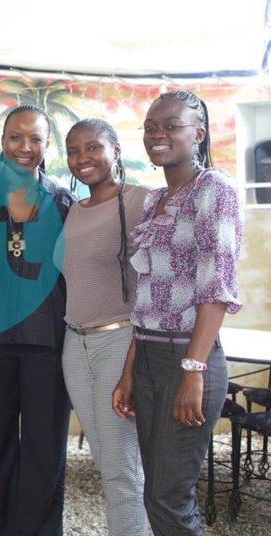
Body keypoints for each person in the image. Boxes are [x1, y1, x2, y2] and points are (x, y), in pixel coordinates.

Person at [112, 90, 242, 536]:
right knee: (157, 493)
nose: (157, 135)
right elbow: (146, 298)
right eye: (150, 127)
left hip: (187, 359)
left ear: (198, 133)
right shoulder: (155, 200)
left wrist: (193, 369)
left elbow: (216, 288)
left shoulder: (214, 190)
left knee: (170, 498)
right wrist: (131, 371)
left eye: (171, 126)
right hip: (148, 355)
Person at [0, 104, 76, 535]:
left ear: (47, 145)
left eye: (35, 139)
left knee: (44, 447)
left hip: (47, 343)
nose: (25, 147)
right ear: (2, 141)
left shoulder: (64, 201)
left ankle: (38, 530)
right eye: (16, 137)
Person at [61, 119, 149, 535]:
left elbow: (157, 283)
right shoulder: (74, 211)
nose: (82, 159)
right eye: (74, 151)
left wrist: (134, 358)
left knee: (121, 469)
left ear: (116, 150)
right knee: (105, 460)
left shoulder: (142, 201)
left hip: (119, 341)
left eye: (93, 148)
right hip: (73, 344)